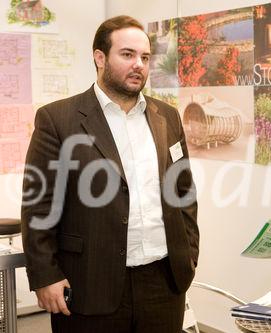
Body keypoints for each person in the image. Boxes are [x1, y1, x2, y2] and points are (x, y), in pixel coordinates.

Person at [21, 15, 199, 332]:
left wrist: (188, 256)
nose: (139, 65)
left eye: (145, 57)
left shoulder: (167, 116)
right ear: (100, 57)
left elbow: (183, 192)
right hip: (89, 283)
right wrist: (44, 274)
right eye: (127, 55)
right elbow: (39, 205)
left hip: (163, 283)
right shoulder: (58, 119)